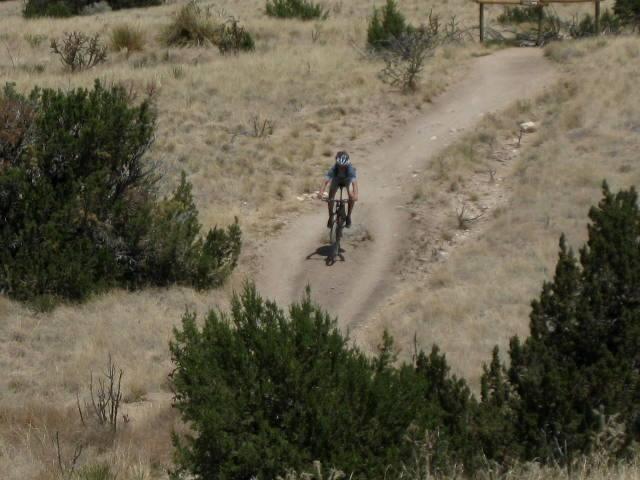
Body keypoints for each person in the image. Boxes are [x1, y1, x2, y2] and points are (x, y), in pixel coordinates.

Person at [318, 151, 358, 229]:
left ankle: (348, 216)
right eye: (340, 166)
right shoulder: (334, 169)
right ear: (337, 164)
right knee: (331, 196)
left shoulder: (350, 170)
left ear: (347, 164)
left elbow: (354, 184)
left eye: (344, 166)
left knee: (351, 196)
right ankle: (330, 216)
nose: (342, 168)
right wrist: (321, 192)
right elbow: (325, 181)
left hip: (347, 180)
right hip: (336, 179)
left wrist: (355, 195)